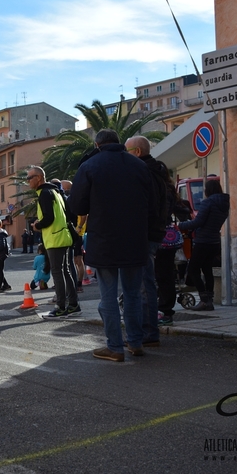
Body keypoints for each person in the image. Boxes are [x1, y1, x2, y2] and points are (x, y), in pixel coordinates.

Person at [69, 129, 155, 362]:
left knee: (108, 296)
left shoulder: (90, 166)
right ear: (119, 143)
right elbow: (153, 201)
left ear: (97, 145)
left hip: (104, 239)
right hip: (135, 239)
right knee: (133, 294)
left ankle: (114, 347)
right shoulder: (139, 165)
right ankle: (136, 342)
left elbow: (77, 205)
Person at [125, 136, 169, 346]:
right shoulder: (157, 171)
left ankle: (149, 333)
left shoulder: (144, 172)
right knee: (146, 283)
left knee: (144, 285)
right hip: (153, 233)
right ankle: (149, 331)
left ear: (137, 152)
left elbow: (146, 207)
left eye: (127, 151)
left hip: (144, 235)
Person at [27, 165, 79, 319]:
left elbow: (49, 218)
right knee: (66, 271)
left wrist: (37, 225)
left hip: (55, 238)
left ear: (39, 178)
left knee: (58, 272)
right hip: (64, 236)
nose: (28, 181)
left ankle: (60, 307)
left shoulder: (44, 193)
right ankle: (74, 304)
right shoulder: (55, 191)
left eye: (30, 178)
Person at [178, 179, 230, 312]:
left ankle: (204, 300)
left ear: (208, 190)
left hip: (203, 241)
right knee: (207, 270)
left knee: (193, 270)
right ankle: (209, 301)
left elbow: (198, 222)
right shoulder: (224, 203)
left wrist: (180, 225)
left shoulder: (208, 202)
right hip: (214, 241)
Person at [156, 177, 191, 326]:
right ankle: (166, 309)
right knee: (167, 274)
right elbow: (184, 212)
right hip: (169, 238)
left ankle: (163, 310)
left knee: (160, 275)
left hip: (158, 236)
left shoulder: (158, 191)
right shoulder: (170, 192)